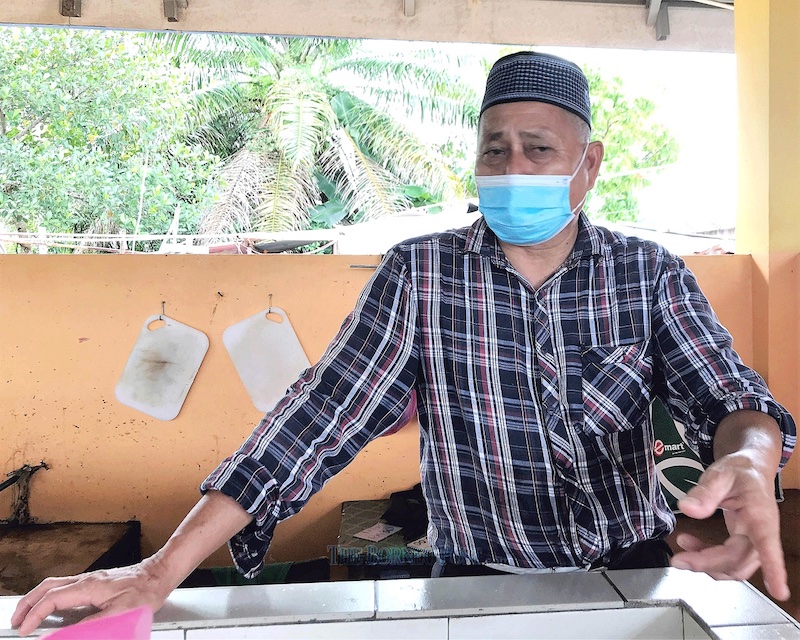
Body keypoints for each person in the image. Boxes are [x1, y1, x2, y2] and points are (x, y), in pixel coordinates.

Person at [12, 50, 796, 634]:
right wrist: (160, 570)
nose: (513, 167)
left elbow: (730, 397)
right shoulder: (419, 274)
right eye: (496, 149)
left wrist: (753, 458)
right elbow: (312, 422)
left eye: (539, 149)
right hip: (469, 583)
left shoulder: (649, 274)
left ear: (587, 167)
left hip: (632, 577)